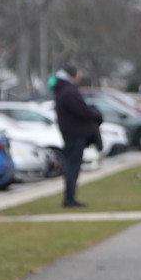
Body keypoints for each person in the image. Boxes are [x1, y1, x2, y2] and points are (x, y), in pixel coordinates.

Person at [52, 62, 103, 208]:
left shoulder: (63, 90)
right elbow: (82, 111)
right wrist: (95, 112)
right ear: (73, 75)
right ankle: (69, 199)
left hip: (70, 133)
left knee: (72, 166)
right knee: (72, 167)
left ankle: (70, 197)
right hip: (75, 134)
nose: (80, 77)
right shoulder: (69, 92)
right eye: (78, 74)